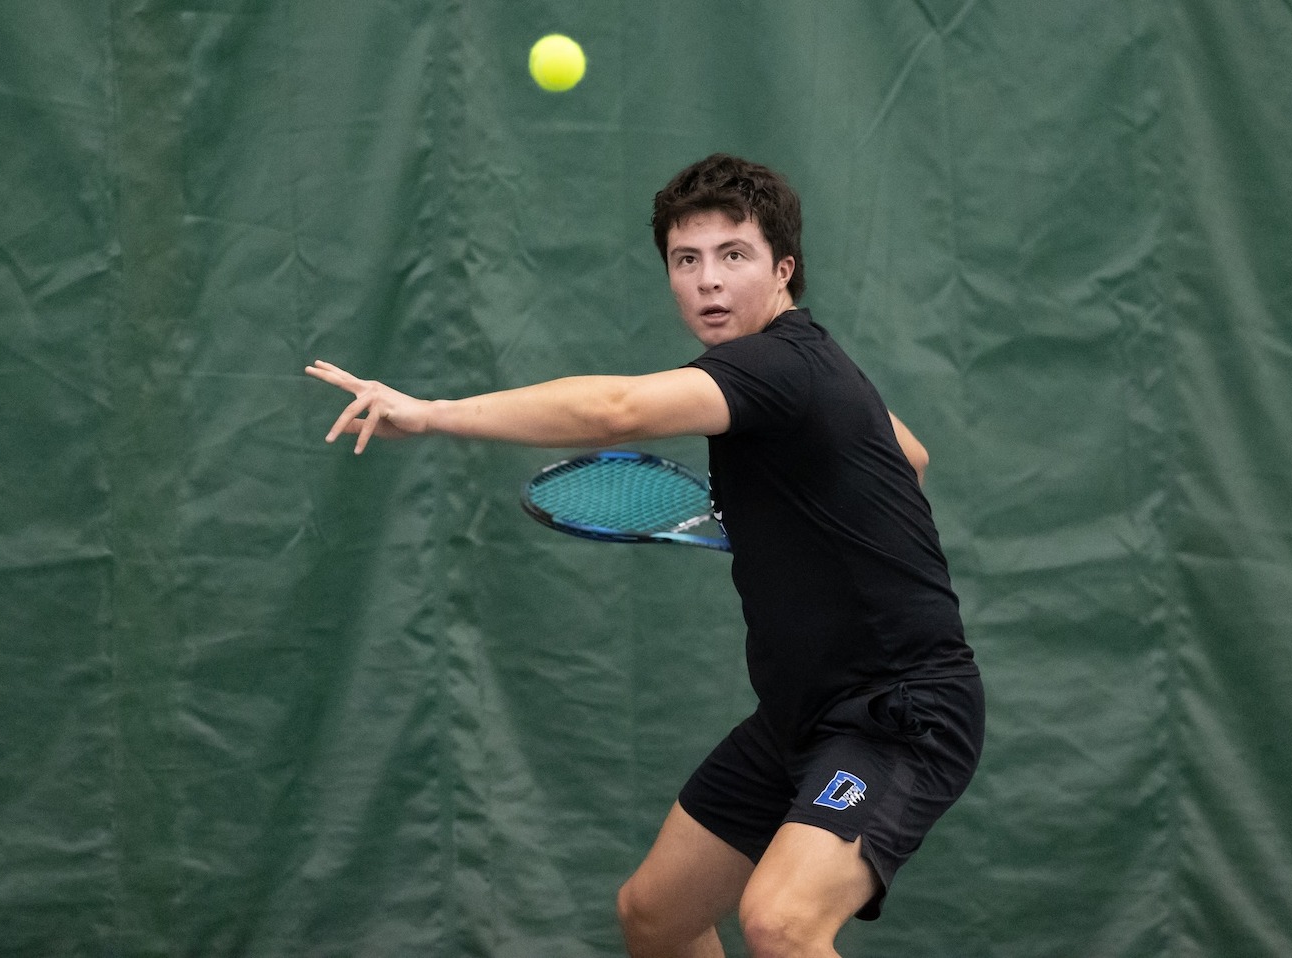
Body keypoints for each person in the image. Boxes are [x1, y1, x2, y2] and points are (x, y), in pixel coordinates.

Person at [307, 153, 983, 957]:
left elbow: (616, 408)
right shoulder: (811, 364)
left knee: (781, 922)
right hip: (798, 715)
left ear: (783, 269)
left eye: (734, 256)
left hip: (897, 714)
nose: (708, 282)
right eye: (685, 260)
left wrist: (431, 413)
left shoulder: (774, 367)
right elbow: (907, 454)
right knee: (655, 917)